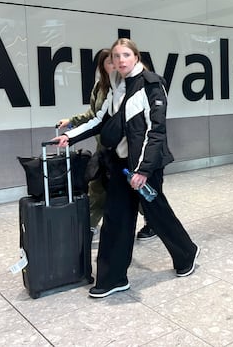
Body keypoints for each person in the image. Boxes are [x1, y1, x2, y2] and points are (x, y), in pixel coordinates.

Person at [53, 38, 199, 298]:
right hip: (120, 165)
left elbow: (156, 131)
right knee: (116, 219)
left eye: (125, 55)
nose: (120, 60)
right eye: (116, 56)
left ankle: (187, 252)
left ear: (136, 56)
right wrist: (71, 136)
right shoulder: (117, 86)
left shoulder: (152, 85)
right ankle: (113, 278)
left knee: (156, 214)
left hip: (145, 166)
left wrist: (143, 171)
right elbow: (101, 119)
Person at [58, 49, 156, 241]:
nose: (118, 64)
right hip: (105, 149)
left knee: (136, 189)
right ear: (103, 66)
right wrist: (71, 123)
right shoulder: (101, 87)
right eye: (112, 61)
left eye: (121, 59)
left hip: (125, 151)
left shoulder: (130, 86)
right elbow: (94, 116)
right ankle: (91, 226)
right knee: (97, 186)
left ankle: (152, 221)